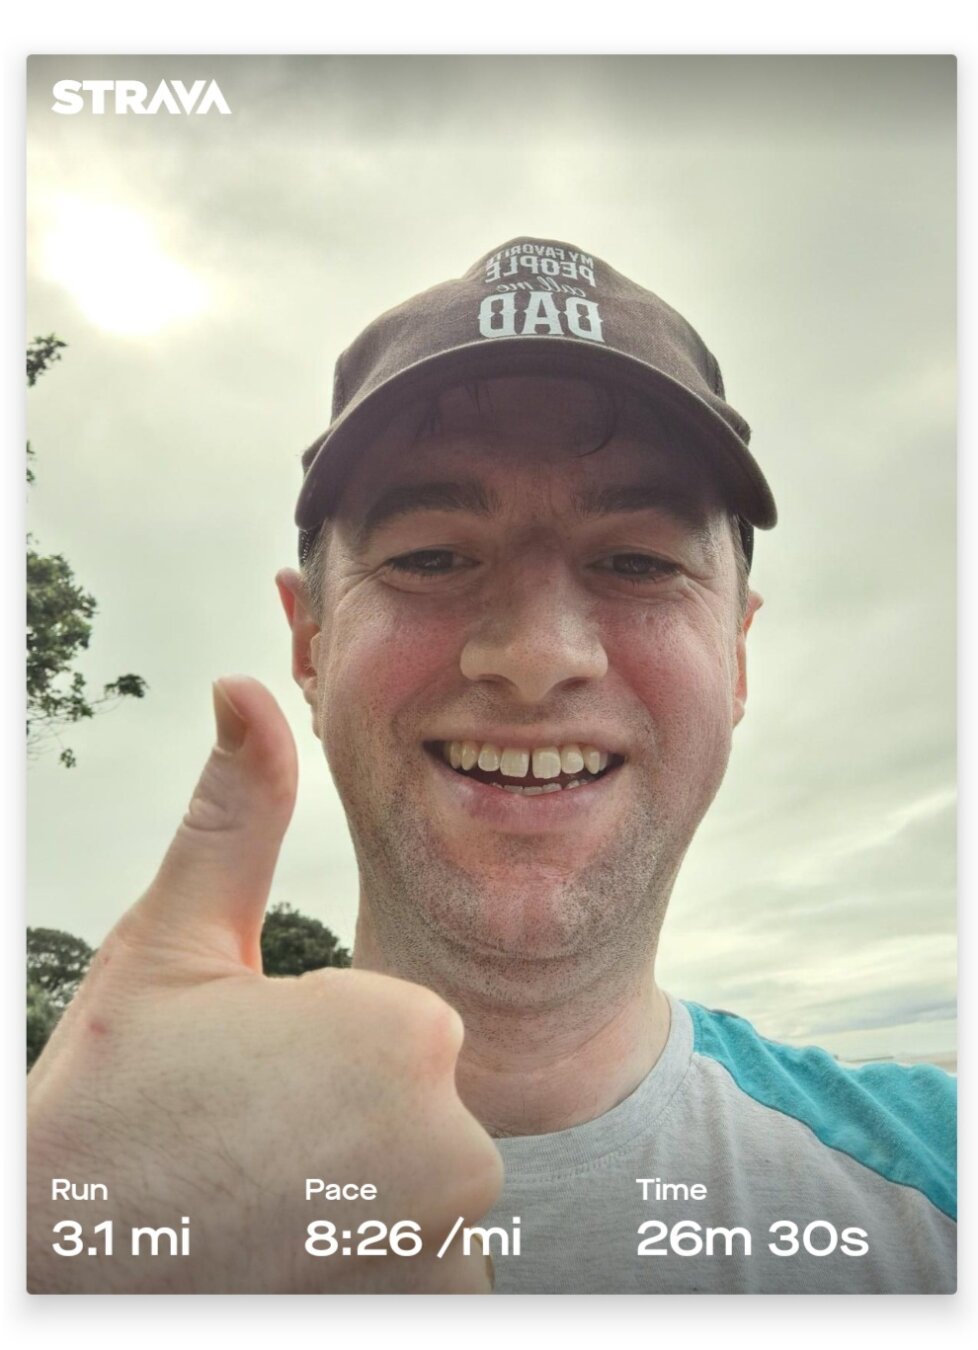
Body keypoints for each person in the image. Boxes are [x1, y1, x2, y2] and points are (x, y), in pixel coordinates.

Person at [27, 237, 955, 1296]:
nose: (537, 655)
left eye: (638, 561)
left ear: (737, 657)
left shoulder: (940, 1182)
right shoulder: (54, 1212)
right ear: (309, 645)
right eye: (431, 556)